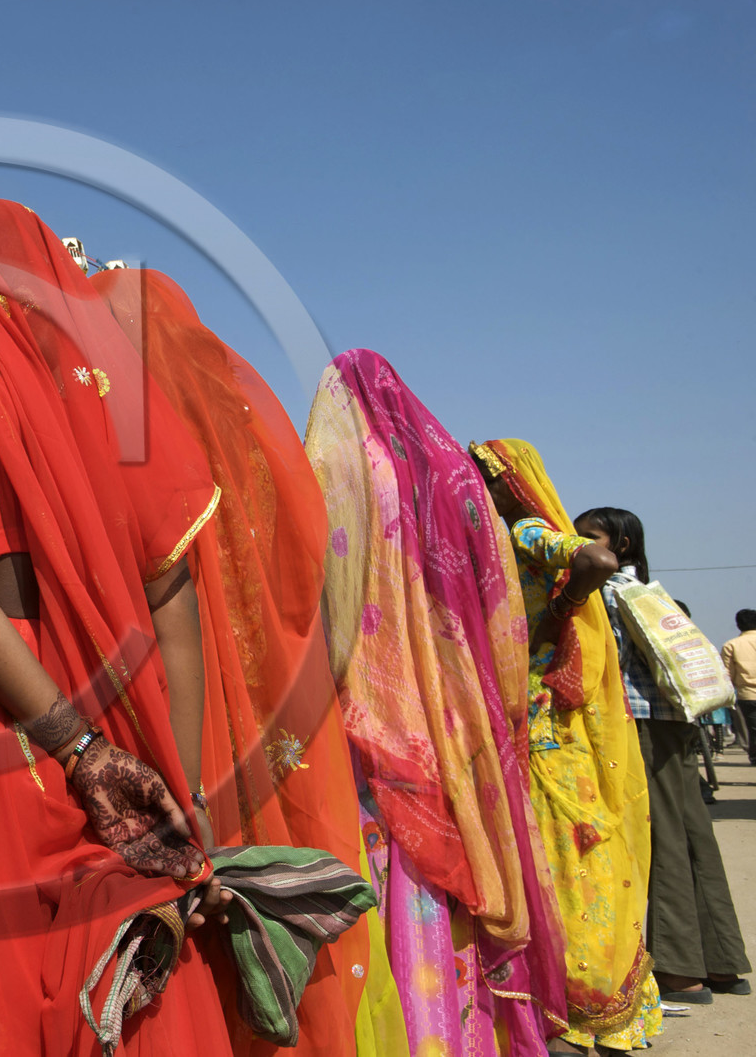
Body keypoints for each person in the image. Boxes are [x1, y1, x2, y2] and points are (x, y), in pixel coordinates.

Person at [0, 199, 233, 1055]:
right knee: (128, 974)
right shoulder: (124, 412)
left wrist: (77, 752)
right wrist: (173, 789)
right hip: (122, 704)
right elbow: (172, 602)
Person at [91, 268, 372, 1057]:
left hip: (167, 688)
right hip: (261, 681)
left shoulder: (121, 436)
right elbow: (299, 563)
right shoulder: (240, 430)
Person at [306, 352, 566, 1056]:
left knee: (397, 872)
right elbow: (503, 603)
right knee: (467, 873)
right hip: (462, 714)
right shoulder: (458, 475)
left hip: (374, 717)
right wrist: (498, 706)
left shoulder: (339, 467)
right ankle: (469, 1029)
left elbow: (318, 586)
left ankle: (415, 1033)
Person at [470, 441, 658, 1054]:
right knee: (558, 861)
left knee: (565, 861)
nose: (477, 487)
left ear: (512, 484)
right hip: (532, 727)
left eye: (486, 478)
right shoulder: (491, 538)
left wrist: (562, 607)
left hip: (548, 732)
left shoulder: (524, 530)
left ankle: (580, 1005)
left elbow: (597, 558)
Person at [574, 507, 750, 1004]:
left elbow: (606, 664)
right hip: (674, 720)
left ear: (621, 545)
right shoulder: (650, 591)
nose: (578, 543)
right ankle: (721, 961)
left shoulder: (605, 591)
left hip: (639, 723)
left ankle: (678, 969)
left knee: (660, 837)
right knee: (693, 833)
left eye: (590, 536)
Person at [726, 609, 756, 765]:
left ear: (738, 625)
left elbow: (727, 675)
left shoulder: (732, 645)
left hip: (747, 694)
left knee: (753, 729)